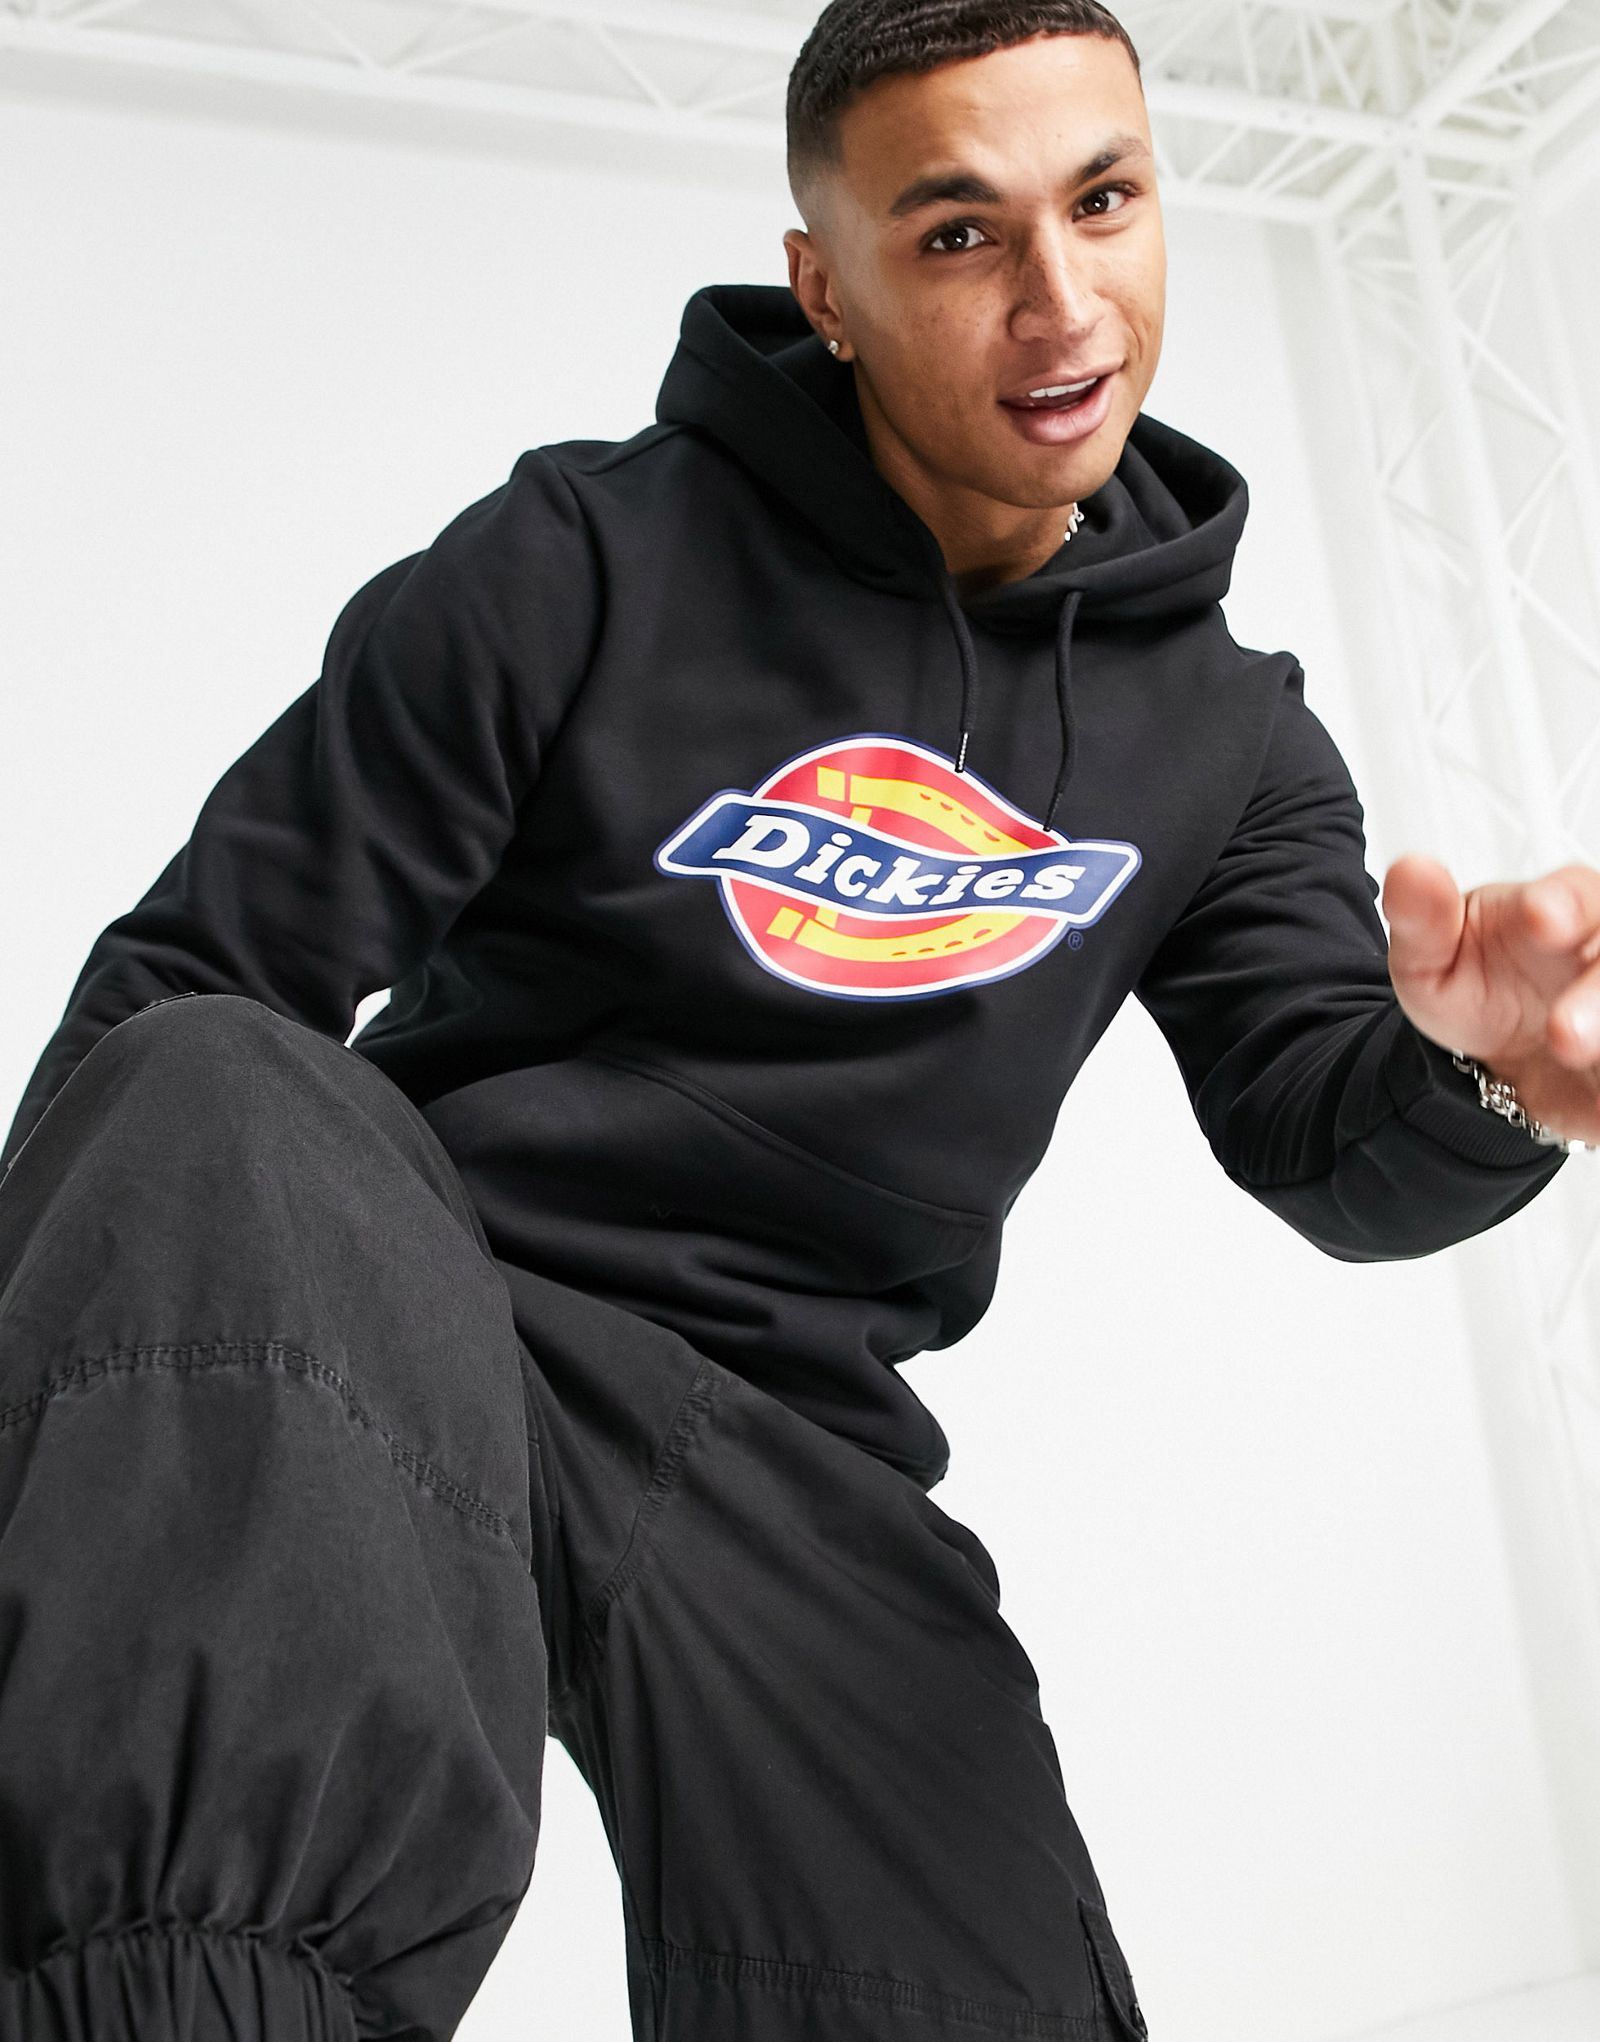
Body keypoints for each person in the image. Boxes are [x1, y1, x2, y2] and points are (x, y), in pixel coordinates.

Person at [2, 2, 1596, 2038]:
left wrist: (1483, 1070)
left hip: (777, 1433)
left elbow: (1322, 1135)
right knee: (218, 1078)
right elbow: (192, 983)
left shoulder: (1232, 741)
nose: (1060, 302)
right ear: (823, 287)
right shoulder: (575, 559)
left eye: (1104, 200)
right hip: (417, 1301)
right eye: (959, 234)